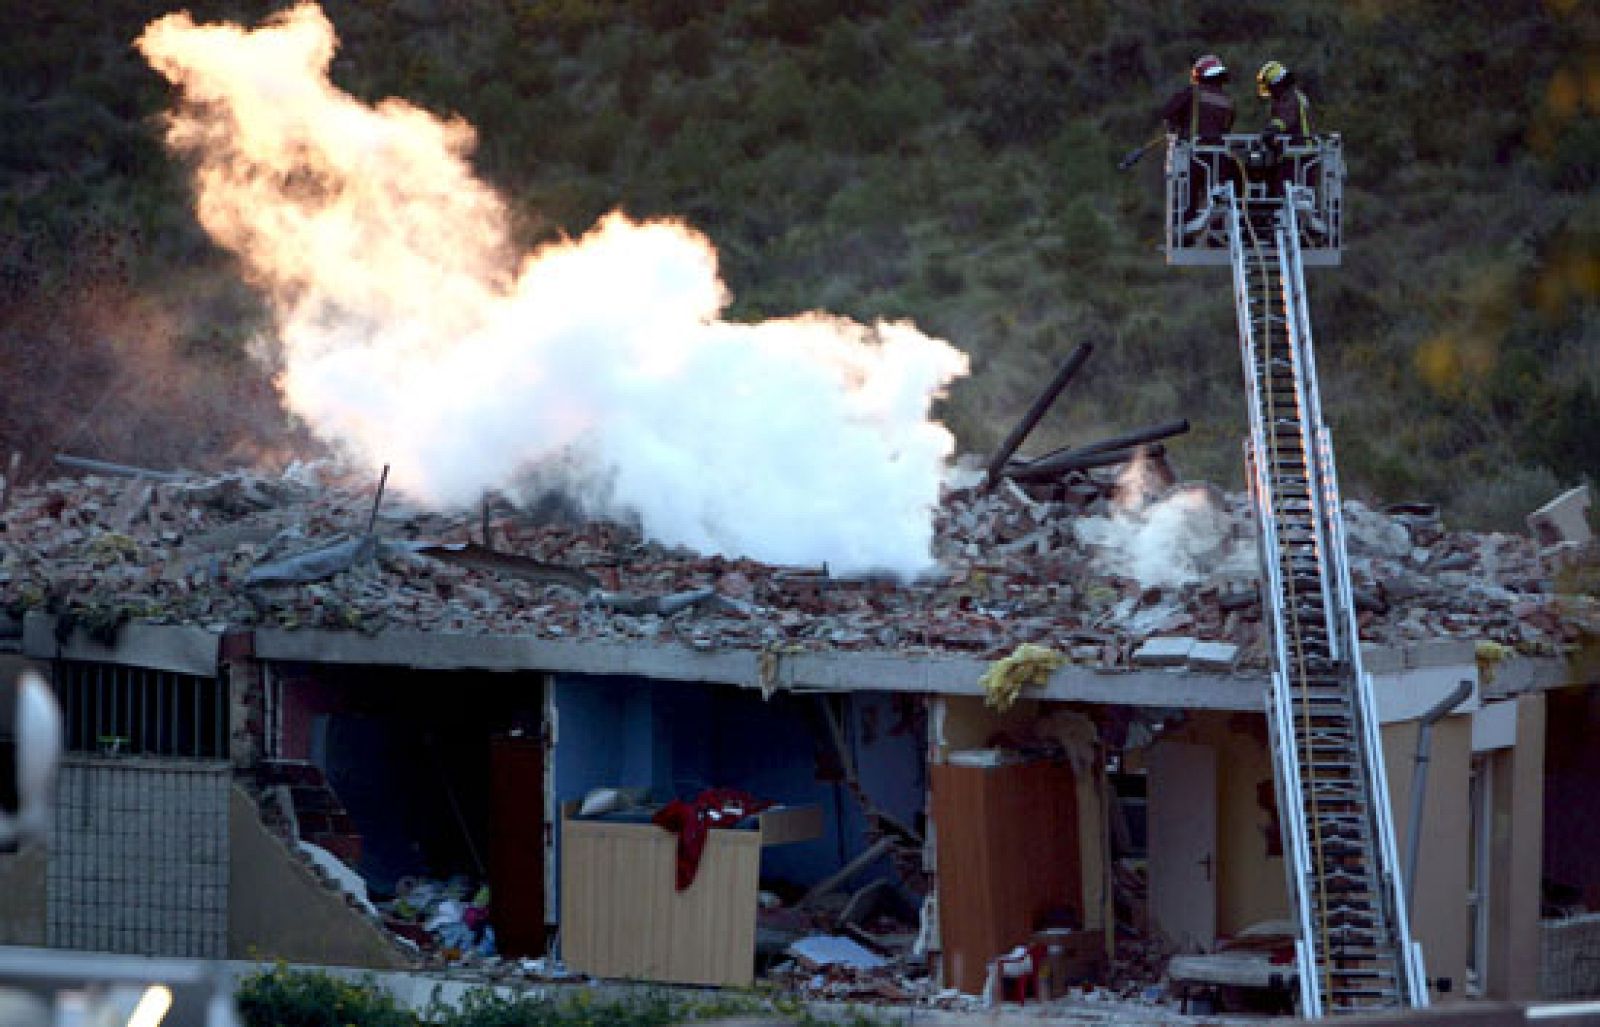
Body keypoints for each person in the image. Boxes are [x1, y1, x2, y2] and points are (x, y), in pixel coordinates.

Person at [1159, 55, 1236, 235]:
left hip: (1194, 155)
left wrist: (1176, 127)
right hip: (1219, 157)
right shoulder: (1228, 100)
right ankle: (1217, 235)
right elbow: (1227, 126)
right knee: (1216, 198)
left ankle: (1183, 231)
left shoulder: (1191, 93)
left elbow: (1168, 112)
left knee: (1187, 196)